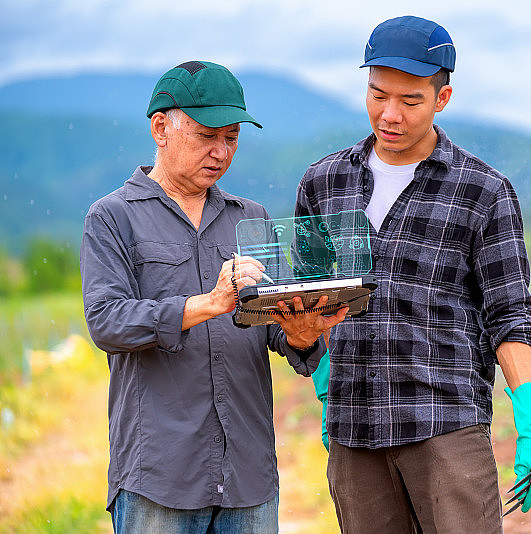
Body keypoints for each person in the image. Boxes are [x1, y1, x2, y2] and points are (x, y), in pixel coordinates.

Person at [300, 16, 531, 533]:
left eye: (410, 101)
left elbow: (509, 317)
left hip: (443, 428)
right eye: (377, 95)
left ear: (442, 99)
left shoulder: (483, 191)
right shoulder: (323, 183)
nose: (389, 114)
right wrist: (326, 387)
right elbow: (307, 302)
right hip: (355, 432)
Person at [80, 60, 346, 534]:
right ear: (161, 127)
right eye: (207, 135)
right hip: (159, 478)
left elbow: (282, 333)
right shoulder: (112, 217)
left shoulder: (252, 218)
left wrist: (303, 334)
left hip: (248, 477)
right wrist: (208, 303)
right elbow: (107, 322)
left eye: (231, 138)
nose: (220, 151)